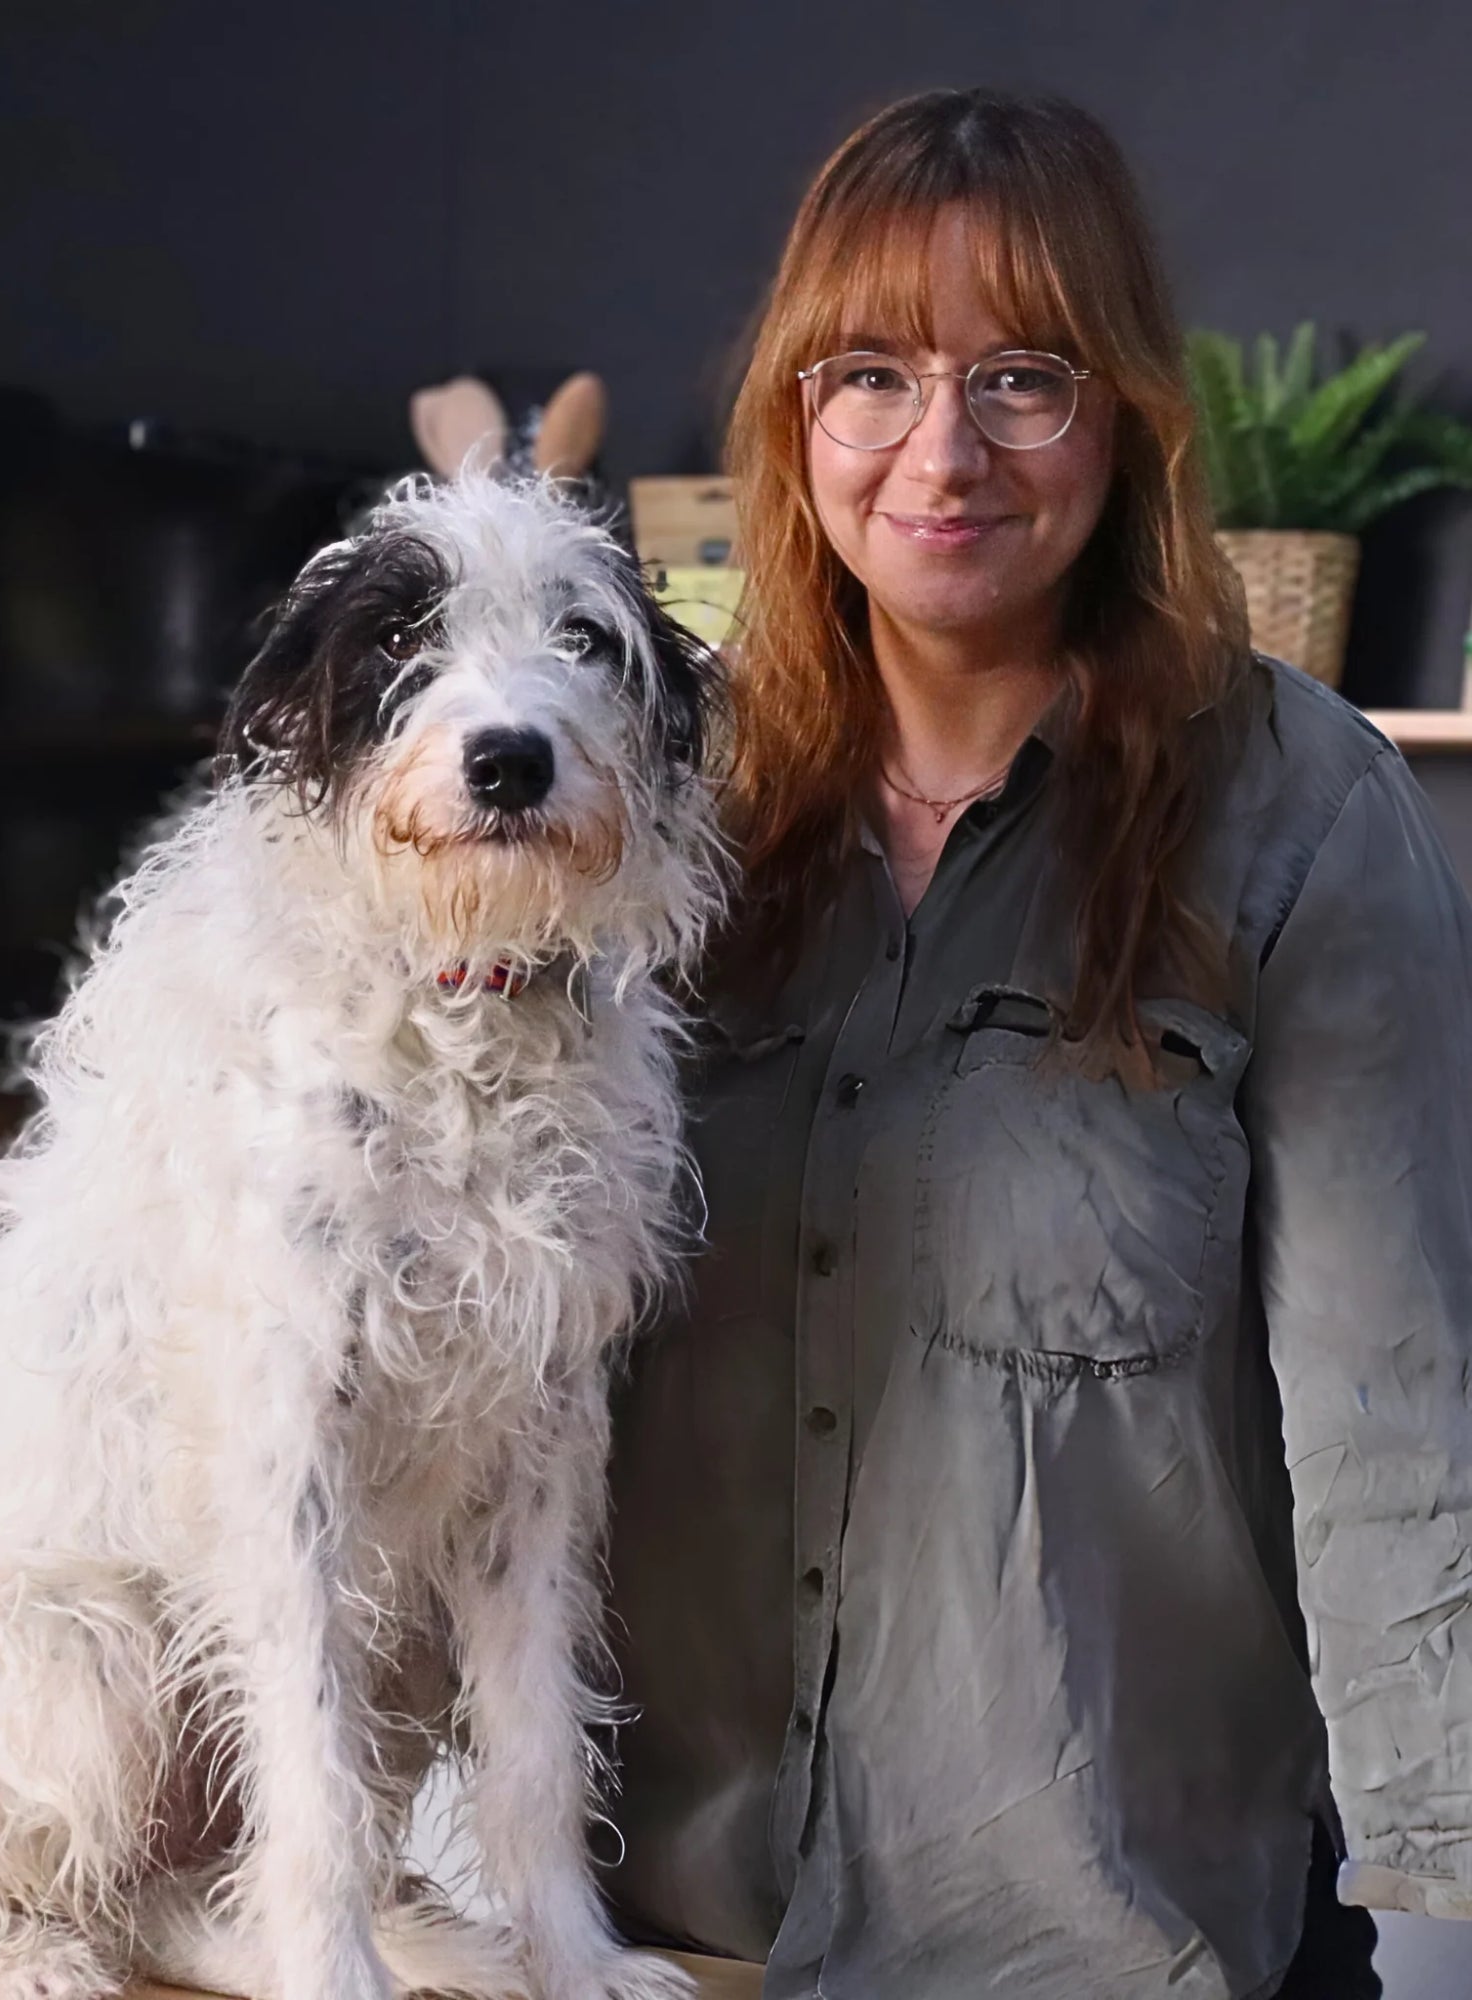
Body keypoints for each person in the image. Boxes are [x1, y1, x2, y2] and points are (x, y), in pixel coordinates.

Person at [600, 88, 1472, 2000]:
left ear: (1129, 416)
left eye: (1024, 376)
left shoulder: (1300, 813)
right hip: (648, 1941)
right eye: (871, 374)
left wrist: (1445, 1874)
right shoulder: (649, 796)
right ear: (790, 418)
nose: (942, 450)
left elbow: (1391, 1398)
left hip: (1112, 1946)